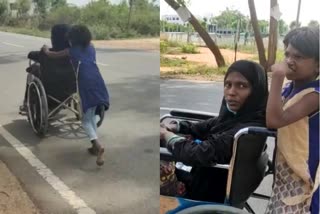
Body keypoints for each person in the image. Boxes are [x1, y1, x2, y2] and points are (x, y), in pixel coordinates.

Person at [160, 60, 269, 202]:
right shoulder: (238, 117)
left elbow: (198, 153)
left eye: (241, 86)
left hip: (200, 192)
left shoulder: (244, 131)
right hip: (203, 178)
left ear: (256, 90)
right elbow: (207, 126)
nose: (231, 93)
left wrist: (166, 135)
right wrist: (177, 126)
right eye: (228, 85)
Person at [266, 27, 319, 213]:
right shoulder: (290, 89)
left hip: (304, 178)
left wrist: (277, 77)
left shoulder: (315, 95)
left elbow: (274, 120)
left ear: (318, 65)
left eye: (299, 57)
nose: (289, 61)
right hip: (285, 174)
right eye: (287, 54)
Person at [41, 25, 110, 166]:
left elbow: (51, 55)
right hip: (98, 80)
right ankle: (93, 146)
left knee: (85, 120)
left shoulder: (70, 51)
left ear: (73, 40)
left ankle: (98, 145)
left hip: (84, 83)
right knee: (91, 115)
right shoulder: (92, 47)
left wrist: (45, 49)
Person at [19, 24, 71, 114]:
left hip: (51, 91)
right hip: (71, 90)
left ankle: (26, 105)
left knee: (31, 74)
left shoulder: (46, 53)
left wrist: (44, 49)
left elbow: (30, 54)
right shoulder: (76, 52)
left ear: (53, 38)